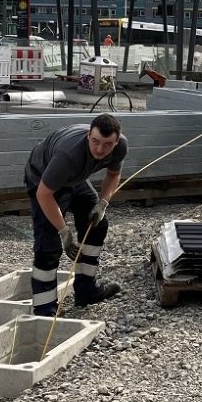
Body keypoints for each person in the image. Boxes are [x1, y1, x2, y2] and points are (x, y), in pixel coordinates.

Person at [24, 113, 127, 313]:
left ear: (116, 142)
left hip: (74, 178)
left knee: (97, 225)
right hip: (43, 179)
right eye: (95, 141)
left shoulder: (120, 147)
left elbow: (114, 174)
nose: (100, 149)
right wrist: (64, 232)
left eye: (107, 144)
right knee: (49, 244)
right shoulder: (68, 155)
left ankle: (86, 291)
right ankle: (45, 309)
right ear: (88, 135)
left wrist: (103, 203)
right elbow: (44, 194)